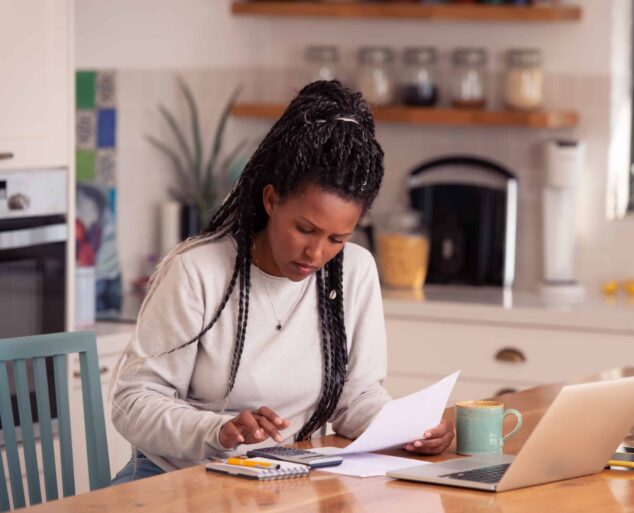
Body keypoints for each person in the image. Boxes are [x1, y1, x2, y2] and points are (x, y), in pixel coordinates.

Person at [110, 80, 454, 484]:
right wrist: (216, 430)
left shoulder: (354, 271)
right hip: (174, 480)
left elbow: (356, 397)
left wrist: (408, 430)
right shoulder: (197, 271)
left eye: (337, 238)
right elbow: (134, 402)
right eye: (305, 229)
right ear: (271, 201)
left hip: (284, 481)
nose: (317, 253)